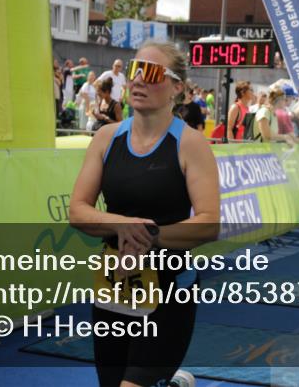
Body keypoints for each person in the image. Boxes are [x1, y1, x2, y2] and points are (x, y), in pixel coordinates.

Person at [69, 41, 219, 387]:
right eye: (135, 70)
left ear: (176, 88)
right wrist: (125, 226)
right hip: (115, 284)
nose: (138, 80)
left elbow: (209, 222)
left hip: (169, 290)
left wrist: (149, 238)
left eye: (151, 73)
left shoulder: (190, 144)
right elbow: (78, 210)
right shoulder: (106, 138)